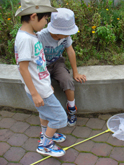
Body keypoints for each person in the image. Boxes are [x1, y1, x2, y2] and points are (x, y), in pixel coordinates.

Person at [14, 0, 67, 157]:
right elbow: (23, 69)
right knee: (60, 118)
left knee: (45, 114)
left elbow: (36, 65)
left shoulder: (31, 35)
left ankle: (46, 134)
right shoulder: (25, 39)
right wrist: (35, 93)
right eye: (45, 19)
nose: (46, 23)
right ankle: (45, 145)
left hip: (42, 86)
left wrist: (46, 83)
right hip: (38, 90)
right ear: (34, 16)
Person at [37, 8, 87, 127]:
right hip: (42, 66)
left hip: (57, 63)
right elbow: (37, 61)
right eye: (67, 31)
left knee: (67, 81)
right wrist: (45, 81)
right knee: (46, 89)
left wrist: (75, 72)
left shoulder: (65, 37)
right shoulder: (41, 37)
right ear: (56, 31)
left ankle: (71, 108)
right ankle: (49, 115)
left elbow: (70, 51)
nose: (69, 34)